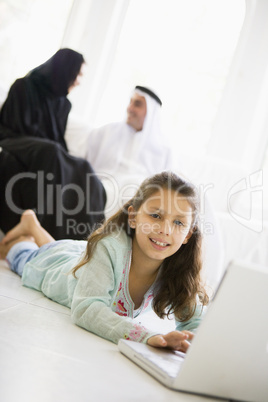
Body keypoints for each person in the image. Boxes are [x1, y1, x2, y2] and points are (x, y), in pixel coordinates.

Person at [0, 171, 209, 348]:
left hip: (80, 256)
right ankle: (29, 232)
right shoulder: (109, 247)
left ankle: (33, 227)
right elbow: (86, 309)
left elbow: (199, 323)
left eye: (179, 223)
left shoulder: (179, 268)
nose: (165, 230)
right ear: (133, 217)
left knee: (58, 248)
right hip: (52, 265)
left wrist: (194, 343)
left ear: (188, 235)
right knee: (16, 252)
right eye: (156, 216)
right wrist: (148, 337)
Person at [0, 49, 106, 240]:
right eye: (78, 74)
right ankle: (50, 238)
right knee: (52, 151)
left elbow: (57, 139)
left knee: (84, 166)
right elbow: (9, 125)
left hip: (46, 150)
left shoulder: (63, 104)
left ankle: (84, 240)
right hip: (14, 140)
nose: (79, 81)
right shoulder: (24, 86)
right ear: (66, 70)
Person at [84, 86, 175, 218]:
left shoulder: (164, 150)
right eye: (130, 102)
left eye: (137, 104)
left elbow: (166, 189)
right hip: (99, 191)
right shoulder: (107, 131)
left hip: (136, 199)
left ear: (150, 113)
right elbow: (85, 163)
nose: (129, 108)